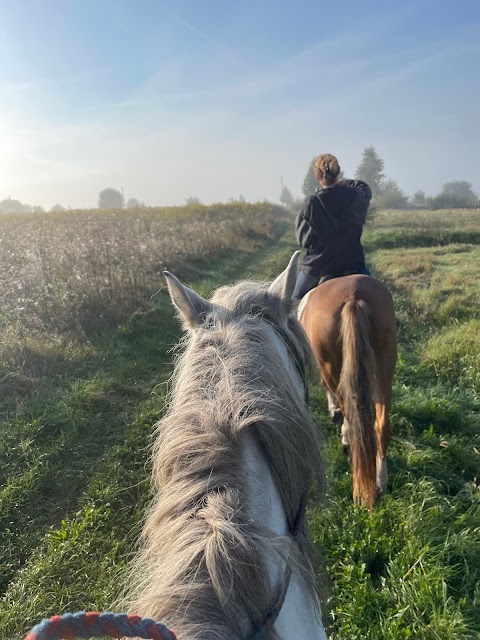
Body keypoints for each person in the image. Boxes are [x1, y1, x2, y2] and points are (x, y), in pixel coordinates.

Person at [293, 153, 372, 300]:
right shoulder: (354, 195)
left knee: (291, 305)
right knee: (378, 295)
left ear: (317, 176)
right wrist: (343, 183)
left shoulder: (311, 202)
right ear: (339, 172)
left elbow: (303, 240)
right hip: (353, 263)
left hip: (318, 267)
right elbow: (365, 188)